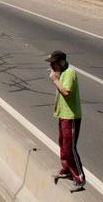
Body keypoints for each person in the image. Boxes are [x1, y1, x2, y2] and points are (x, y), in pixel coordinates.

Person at [48, 50, 85, 192]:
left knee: (70, 148)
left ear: (61, 62)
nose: (52, 66)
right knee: (63, 144)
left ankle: (79, 178)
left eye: (54, 63)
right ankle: (67, 169)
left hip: (71, 117)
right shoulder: (63, 72)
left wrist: (55, 79)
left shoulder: (69, 73)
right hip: (63, 114)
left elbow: (66, 92)